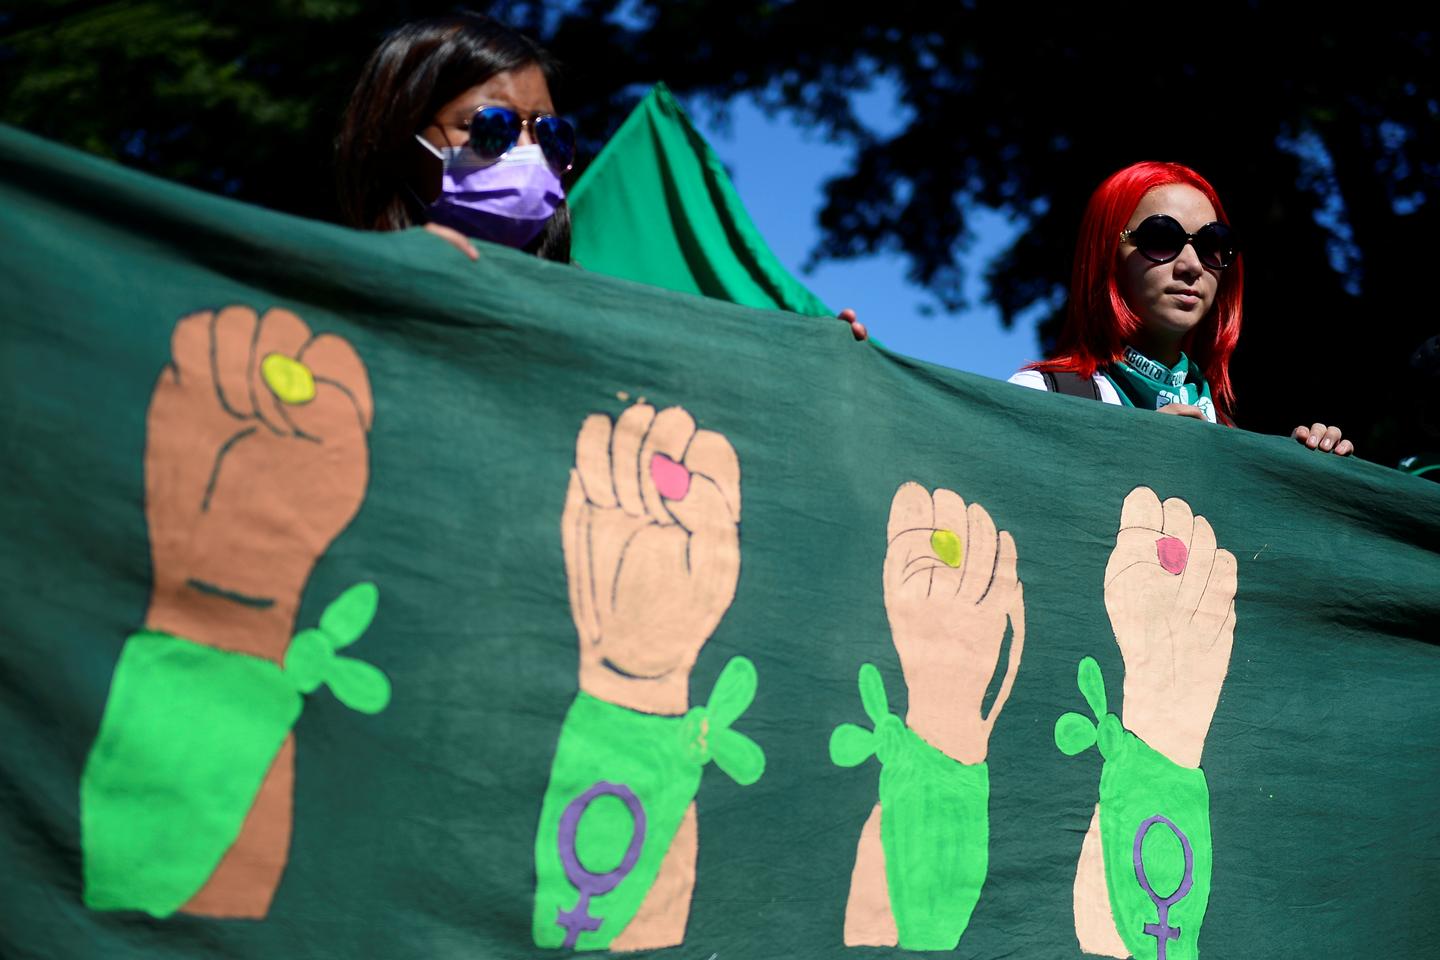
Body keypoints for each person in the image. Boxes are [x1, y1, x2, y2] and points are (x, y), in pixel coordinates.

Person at [1009, 161, 1352, 455]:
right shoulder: (1040, 396)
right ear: (1106, 253)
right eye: (1161, 238)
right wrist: (1129, 456)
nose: (1191, 265)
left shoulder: (1228, 435)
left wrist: (1291, 477)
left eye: (1212, 245)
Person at [335, 13, 574, 264]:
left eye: (549, 134)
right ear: (398, 138)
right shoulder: (323, 285)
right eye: (493, 126)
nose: (530, 151)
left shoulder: (580, 297)